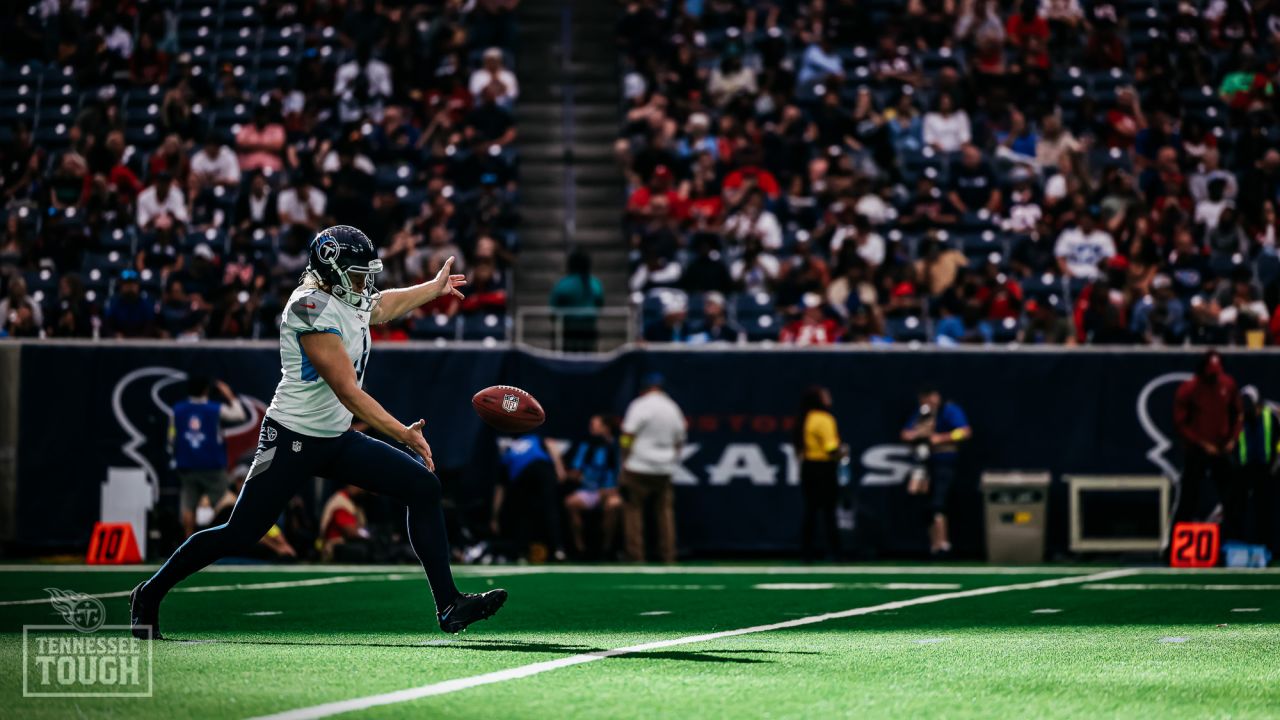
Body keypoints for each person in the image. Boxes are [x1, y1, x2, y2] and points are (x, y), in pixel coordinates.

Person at [130, 225, 506, 639]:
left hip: (335, 438)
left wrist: (432, 289)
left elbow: (380, 306)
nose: (366, 282)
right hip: (292, 436)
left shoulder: (346, 298)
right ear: (332, 271)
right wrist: (403, 433)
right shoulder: (309, 307)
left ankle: (449, 605)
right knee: (241, 532)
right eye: (358, 272)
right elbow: (347, 391)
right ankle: (149, 593)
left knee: (423, 487)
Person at [170, 376, 248, 538]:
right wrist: (229, 395)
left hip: (187, 465)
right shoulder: (215, 409)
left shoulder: (177, 410)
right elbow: (239, 415)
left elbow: (171, 438)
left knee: (188, 506)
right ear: (206, 390)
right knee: (228, 502)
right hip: (212, 466)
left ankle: (186, 547)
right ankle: (229, 538)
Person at [620, 373, 686, 563]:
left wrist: (625, 458)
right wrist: (671, 459)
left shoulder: (640, 405)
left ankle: (635, 556)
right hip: (664, 468)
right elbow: (679, 441)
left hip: (638, 466)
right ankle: (668, 555)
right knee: (664, 513)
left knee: (633, 511)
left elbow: (628, 434)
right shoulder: (673, 408)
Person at [1172, 350, 1242, 528]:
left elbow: (1238, 414)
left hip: (1221, 449)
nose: (1214, 377)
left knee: (1233, 495)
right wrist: (1201, 443)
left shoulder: (1228, 384)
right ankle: (1176, 542)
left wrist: (1233, 439)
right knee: (1189, 496)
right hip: (1198, 450)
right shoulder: (1189, 389)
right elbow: (1180, 424)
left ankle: (1232, 542)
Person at [900, 386, 972, 556]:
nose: (926, 402)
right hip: (925, 464)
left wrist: (941, 438)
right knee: (926, 505)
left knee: (938, 504)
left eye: (929, 397)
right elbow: (905, 433)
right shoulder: (922, 413)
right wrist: (917, 435)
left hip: (944, 463)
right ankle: (934, 545)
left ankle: (943, 544)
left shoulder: (949, 410)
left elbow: (964, 432)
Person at [492, 433, 564, 562]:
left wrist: (495, 516)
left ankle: (527, 550)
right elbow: (500, 488)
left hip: (528, 473)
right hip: (531, 472)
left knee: (532, 512)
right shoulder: (510, 451)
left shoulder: (532, 439)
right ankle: (556, 549)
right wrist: (559, 469)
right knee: (545, 510)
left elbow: (500, 489)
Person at [1225, 387, 1278, 552]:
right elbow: (1230, 443)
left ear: (1258, 404)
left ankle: (1267, 547)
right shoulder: (1236, 418)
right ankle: (1237, 547)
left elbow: (1276, 440)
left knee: (1265, 509)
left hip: (1265, 469)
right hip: (1243, 470)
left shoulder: (1270, 416)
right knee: (1238, 508)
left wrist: (1275, 464)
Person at [562, 415, 624, 558]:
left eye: (594, 425)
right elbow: (574, 472)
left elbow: (622, 473)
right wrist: (573, 474)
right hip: (588, 492)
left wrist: (614, 489)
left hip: (611, 492)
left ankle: (606, 550)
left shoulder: (617, 446)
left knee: (614, 505)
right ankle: (580, 549)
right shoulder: (585, 446)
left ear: (606, 428)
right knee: (570, 503)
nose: (591, 428)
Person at [795, 386, 842, 561]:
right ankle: (835, 552)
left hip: (808, 467)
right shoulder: (824, 419)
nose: (829, 397)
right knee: (829, 512)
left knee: (811, 511)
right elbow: (831, 448)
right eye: (825, 395)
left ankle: (807, 552)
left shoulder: (805, 418)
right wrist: (841, 452)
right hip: (824, 468)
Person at [549, 249, 604, 352]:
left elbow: (553, 311)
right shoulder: (595, 284)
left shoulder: (562, 284)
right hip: (589, 333)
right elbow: (600, 305)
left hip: (568, 334)